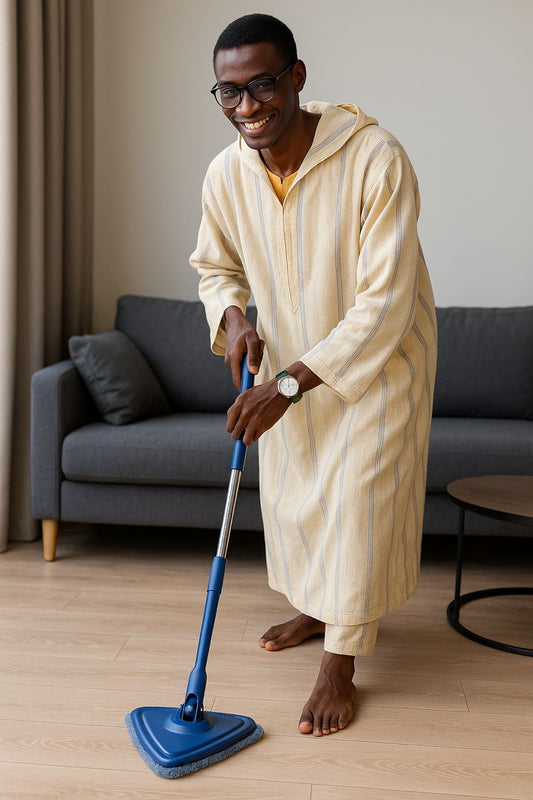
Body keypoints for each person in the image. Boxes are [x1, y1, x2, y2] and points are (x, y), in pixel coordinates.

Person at [190, 13, 437, 737]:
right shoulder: (226, 172)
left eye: (262, 85)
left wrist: (291, 385)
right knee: (299, 498)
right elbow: (215, 266)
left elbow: (384, 303)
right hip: (289, 363)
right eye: (229, 92)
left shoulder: (375, 158)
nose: (247, 107)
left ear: (296, 77)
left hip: (377, 364)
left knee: (358, 503)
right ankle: (318, 606)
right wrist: (233, 317)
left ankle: (341, 660)